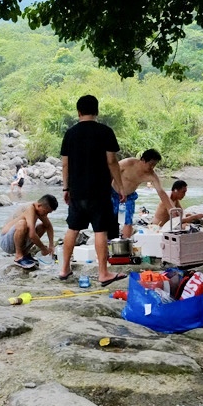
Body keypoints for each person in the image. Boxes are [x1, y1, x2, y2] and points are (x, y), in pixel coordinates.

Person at [57, 94, 127, 286]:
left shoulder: (70, 134)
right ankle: (103, 273)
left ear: (78, 112)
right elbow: (112, 161)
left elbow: (65, 164)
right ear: (96, 111)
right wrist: (120, 187)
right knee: (100, 230)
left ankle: (64, 269)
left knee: (73, 227)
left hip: (77, 191)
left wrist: (66, 188)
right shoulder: (105, 132)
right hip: (99, 190)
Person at [112, 149, 171, 239]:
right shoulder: (127, 163)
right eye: (151, 164)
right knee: (110, 220)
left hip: (129, 197)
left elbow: (161, 192)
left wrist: (171, 209)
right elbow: (111, 171)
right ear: (143, 160)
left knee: (128, 221)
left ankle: (125, 242)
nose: (152, 168)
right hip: (113, 193)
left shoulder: (151, 175)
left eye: (154, 165)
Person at [0, 194, 58, 269]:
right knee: (22, 223)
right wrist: (43, 249)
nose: (46, 215)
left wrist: (51, 245)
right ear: (39, 205)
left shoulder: (38, 209)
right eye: (45, 212)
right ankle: (18, 257)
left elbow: (49, 226)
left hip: (17, 240)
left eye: (48, 213)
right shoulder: (30, 208)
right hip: (6, 242)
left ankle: (25, 254)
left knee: (43, 226)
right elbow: (32, 235)